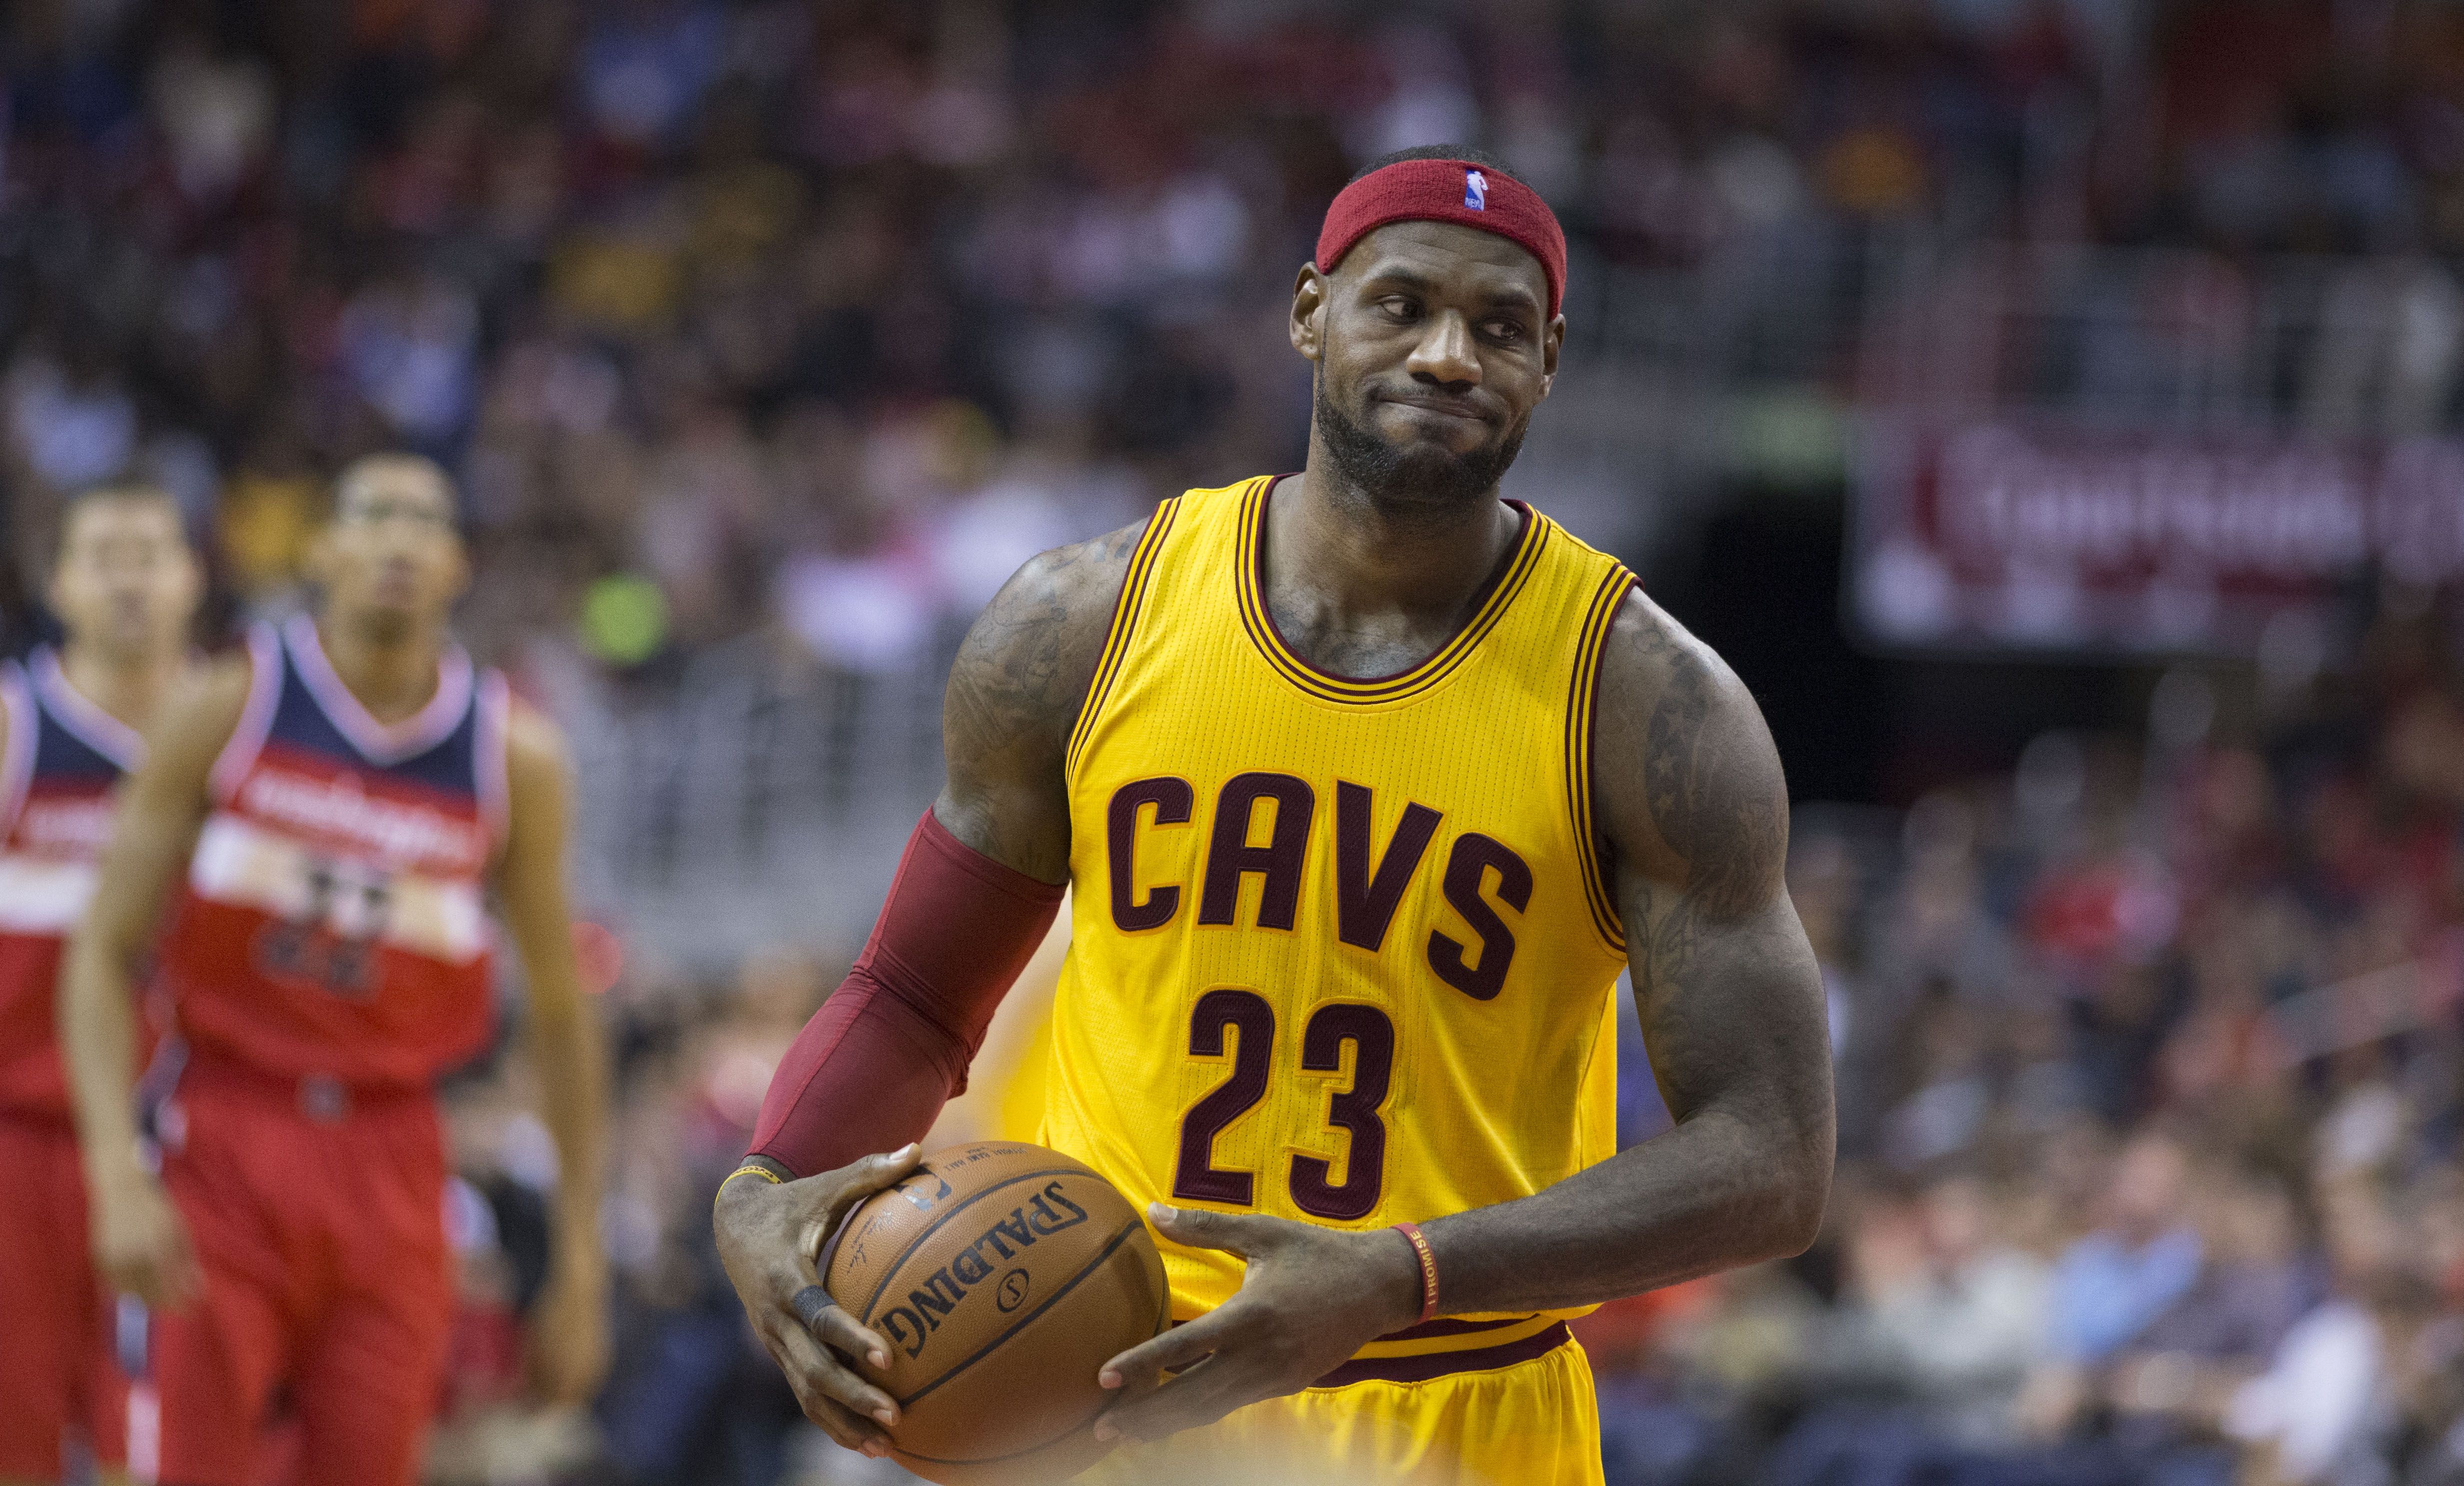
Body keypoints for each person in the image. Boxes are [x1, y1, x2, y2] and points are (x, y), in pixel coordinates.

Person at [714, 146, 1836, 1484]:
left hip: (1454, 1405)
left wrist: (1402, 1276)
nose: (1446, 355)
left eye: (1497, 328)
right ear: (1312, 313)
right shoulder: (1081, 622)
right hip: (1112, 1387)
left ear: (1550, 363)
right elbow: (911, 994)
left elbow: (1773, 1157)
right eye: (1401, 304)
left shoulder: (1650, 706)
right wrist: (767, 1190)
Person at [60, 453, 610, 1486]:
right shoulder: (228, 707)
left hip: (395, 1148)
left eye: (422, 520)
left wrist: (580, 1260)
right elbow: (100, 952)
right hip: (222, 1127)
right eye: (371, 515)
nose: (396, 537)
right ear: (325, 552)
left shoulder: (514, 759)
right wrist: (111, 1172)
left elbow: (560, 1012)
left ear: (458, 564)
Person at [0, 483, 201, 1486]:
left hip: (198, 1143)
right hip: (25, 1143)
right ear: (59, 583)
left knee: (171, 1449)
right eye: (104, 554)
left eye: (150, 552)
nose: (129, 576)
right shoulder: (13, 726)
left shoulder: (233, 737)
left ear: (191, 580)